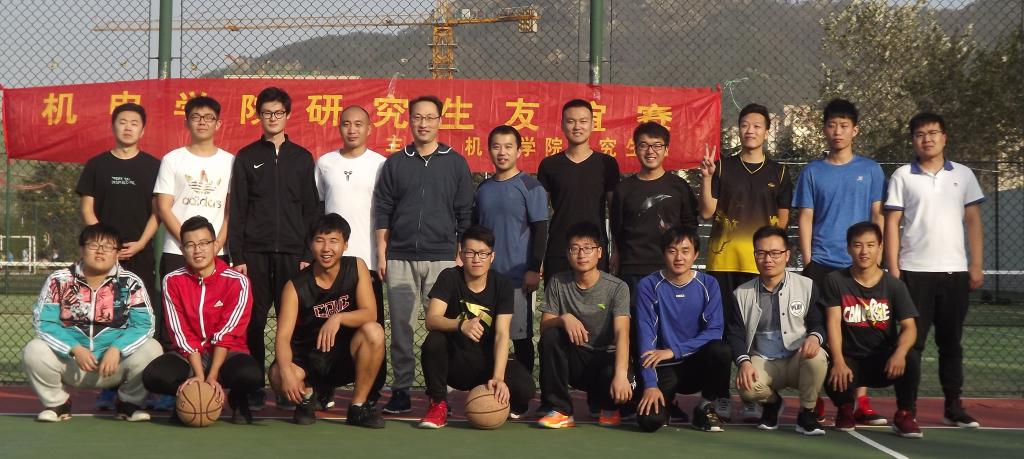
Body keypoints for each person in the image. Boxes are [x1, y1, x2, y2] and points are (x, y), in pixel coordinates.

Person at [374, 95, 474, 414]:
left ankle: (439, 393)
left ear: (440, 121)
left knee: (442, 327)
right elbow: (383, 209)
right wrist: (382, 253)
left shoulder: (455, 163)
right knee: (401, 328)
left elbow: (465, 213)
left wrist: (460, 255)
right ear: (409, 120)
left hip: (443, 257)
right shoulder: (395, 162)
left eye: (430, 117)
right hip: (400, 256)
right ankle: (401, 390)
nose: (424, 123)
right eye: (418, 117)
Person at [884, 112, 985, 428]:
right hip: (914, 273)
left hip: (955, 273)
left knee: (951, 343)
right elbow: (891, 223)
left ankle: (953, 406)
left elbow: (973, 221)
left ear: (944, 137)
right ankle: (906, 409)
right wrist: (893, 268)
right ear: (913, 140)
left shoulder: (964, 175)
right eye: (920, 134)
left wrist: (976, 264)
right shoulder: (902, 176)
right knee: (912, 344)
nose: (927, 139)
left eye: (933, 132)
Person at [791, 98, 886, 423]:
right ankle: (814, 399)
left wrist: (877, 258)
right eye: (832, 125)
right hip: (821, 262)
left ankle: (861, 401)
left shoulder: (871, 170)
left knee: (860, 331)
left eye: (844, 125)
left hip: (859, 265)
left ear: (855, 130)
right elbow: (806, 216)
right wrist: (809, 261)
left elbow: (877, 215)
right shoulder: (812, 171)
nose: (838, 131)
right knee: (817, 332)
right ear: (824, 129)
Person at [229, 87, 319, 410]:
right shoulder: (246, 156)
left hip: (293, 254)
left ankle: (287, 384)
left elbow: (311, 210)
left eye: (278, 113)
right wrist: (238, 256)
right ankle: (254, 385)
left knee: (291, 322)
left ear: (288, 115)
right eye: (267, 113)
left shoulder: (302, 158)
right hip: (254, 253)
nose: (272, 118)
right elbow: (238, 209)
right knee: (253, 321)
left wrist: (308, 255)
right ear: (259, 116)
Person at [23, 223, 162, 422]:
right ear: (81, 249)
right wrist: (74, 348)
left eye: (108, 247)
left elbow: (144, 325)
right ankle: (58, 404)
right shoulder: (59, 280)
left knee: (152, 348)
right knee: (34, 350)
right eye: (93, 245)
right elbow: (45, 323)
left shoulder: (131, 282)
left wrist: (117, 349)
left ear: (117, 253)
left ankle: (128, 403)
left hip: (113, 365)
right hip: (71, 363)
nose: (100, 251)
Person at [75, 102, 161, 411]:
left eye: (134, 123)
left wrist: (141, 243)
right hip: (103, 258)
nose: (127, 127)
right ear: (113, 126)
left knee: (139, 319)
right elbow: (88, 208)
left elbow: (158, 212)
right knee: (106, 319)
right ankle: (108, 386)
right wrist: (105, 246)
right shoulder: (97, 165)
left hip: (139, 255)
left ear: (143, 129)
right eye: (122, 121)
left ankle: (144, 385)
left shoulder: (153, 166)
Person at [152, 95, 234, 411]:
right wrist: (190, 244)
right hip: (176, 250)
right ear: (186, 121)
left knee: (214, 322)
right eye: (196, 116)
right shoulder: (173, 159)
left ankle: (211, 384)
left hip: (217, 253)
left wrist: (215, 245)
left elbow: (231, 210)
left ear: (218, 123)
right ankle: (169, 387)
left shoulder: (230, 161)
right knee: (173, 323)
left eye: (208, 117)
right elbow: (164, 206)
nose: (202, 122)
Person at [269, 214, 386, 427]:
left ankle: (358, 407)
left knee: (374, 331)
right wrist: (287, 373)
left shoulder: (356, 267)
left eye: (333, 241)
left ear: (345, 244)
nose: (326, 248)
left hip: (343, 357)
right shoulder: (294, 287)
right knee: (277, 374)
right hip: (307, 360)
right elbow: (283, 337)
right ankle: (306, 398)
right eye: (320, 240)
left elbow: (370, 313)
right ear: (310, 244)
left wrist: (338, 317)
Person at [142, 216, 262, 424]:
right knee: (154, 376)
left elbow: (227, 333)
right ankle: (187, 398)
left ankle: (238, 398)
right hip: (190, 354)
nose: (197, 250)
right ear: (182, 250)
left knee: (251, 375)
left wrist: (212, 375)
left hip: (227, 353)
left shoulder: (238, 281)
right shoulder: (172, 280)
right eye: (190, 245)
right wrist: (198, 375)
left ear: (215, 245)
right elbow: (181, 333)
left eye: (204, 243)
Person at [418, 226, 536, 428]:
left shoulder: (502, 285)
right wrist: (461, 324)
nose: (476, 259)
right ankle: (438, 404)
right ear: (461, 254)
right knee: (434, 341)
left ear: (492, 256)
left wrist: (498, 378)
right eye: (470, 252)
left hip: (486, 362)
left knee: (525, 389)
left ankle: (502, 404)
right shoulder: (449, 277)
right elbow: (432, 320)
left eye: (483, 253)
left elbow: (501, 334)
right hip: (455, 361)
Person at [316, 105, 388, 405]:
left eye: (359, 124)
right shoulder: (325, 163)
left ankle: (370, 392)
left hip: (367, 262)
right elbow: (320, 208)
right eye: (346, 124)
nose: (352, 129)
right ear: (339, 127)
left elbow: (386, 213)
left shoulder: (381, 164)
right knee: (327, 325)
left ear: (369, 128)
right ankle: (323, 385)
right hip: (330, 264)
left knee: (372, 327)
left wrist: (382, 254)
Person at [823, 222, 922, 438]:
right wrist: (838, 360)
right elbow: (833, 323)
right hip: (850, 361)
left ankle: (905, 414)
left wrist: (899, 353)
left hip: (883, 362)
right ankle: (845, 408)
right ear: (849, 248)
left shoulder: (894, 285)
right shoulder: (835, 281)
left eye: (870, 245)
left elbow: (909, 327)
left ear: (880, 247)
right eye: (858, 245)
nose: (864, 251)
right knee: (825, 361)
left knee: (911, 356)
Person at [726, 225, 828, 435]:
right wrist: (744, 362)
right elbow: (735, 334)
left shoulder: (806, 286)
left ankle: (807, 412)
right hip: (764, 360)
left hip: (797, 358)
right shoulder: (741, 293)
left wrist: (814, 338)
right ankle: (772, 403)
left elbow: (818, 322)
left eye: (775, 253)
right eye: (761, 253)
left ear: (787, 255)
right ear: (754, 255)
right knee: (746, 387)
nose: (768, 259)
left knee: (818, 356)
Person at [633, 226, 731, 433]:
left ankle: (705, 406)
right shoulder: (648, 286)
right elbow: (645, 337)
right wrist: (650, 385)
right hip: (663, 367)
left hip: (696, 365)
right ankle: (666, 404)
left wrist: (674, 350)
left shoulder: (709, 284)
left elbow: (715, 331)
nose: (679, 257)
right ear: (663, 253)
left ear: (695, 254)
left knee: (721, 350)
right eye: (672, 251)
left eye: (685, 251)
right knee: (649, 422)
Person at [536, 222, 633, 429]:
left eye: (588, 248)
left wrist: (621, 375)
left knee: (629, 404)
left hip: (607, 360)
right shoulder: (557, 282)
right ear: (568, 253)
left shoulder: (617, 287)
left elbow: (622, 333)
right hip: (577, 362)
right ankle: (561, 410)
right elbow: (544, 327)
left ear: (599, 253)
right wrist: (563, 318)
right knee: (551, 336)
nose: (581, 254)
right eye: (575, 248)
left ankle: (605, 404)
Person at [474, 125, 548, 371]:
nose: (502, 152)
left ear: (519, 151)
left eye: (508, 146)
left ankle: (523, 388)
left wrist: (533, 269)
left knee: (520, 337)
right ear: (489, 151)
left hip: (517, 278)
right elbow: (475, 231)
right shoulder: (482, 189)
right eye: (496, 147)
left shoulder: (531, 186)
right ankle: (488, 387)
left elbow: (540, 231)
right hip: (485, 278)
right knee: (485, 336)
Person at [537, 99, 620, 283]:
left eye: (583, 121)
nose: (577, 127)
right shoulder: (549, 165)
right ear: (562, 125)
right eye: (571, 121)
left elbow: (616, 212)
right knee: (557, 301)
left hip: (594, 251)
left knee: (596, 302)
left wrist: (616, 250)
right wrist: (538, 257)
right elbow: (540, 215)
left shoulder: (606, 164)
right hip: (559, 250)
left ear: (592, 124)